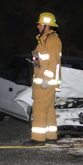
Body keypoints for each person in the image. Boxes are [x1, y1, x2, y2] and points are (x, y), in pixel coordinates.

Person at [24, 12, 62, 146]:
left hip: (45, 83)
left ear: (46, 26)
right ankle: (51, 136)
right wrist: (37, 59)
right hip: (43, 81)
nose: (38, 27)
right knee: (49, 109)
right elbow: (45, 61)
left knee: (39, 108)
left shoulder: (52, 40)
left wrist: (46, 79)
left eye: (40, 24)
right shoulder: (44, 40)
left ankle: (38, 139)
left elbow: (53, 63)